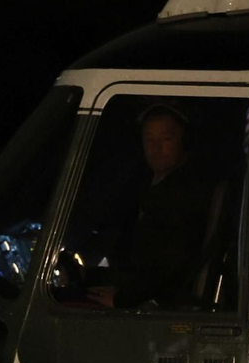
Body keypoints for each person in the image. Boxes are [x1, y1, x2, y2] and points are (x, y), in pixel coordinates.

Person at [86, 104, 222, 311]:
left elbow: (169, 265)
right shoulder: (149, 186)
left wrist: (124, 299)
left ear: (184, 141)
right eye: (149, 139)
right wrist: (89, 275)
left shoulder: (183, 194)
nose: (156, 147)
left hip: (161, 309)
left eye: (166, 139)